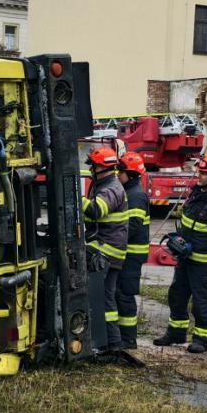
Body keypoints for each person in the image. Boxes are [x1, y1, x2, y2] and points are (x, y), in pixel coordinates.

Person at [153, 153, 207, 354]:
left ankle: (201, 340)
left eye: (204, 173)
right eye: (200, 172)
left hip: (202, 265)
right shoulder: (195, 194)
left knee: (201, 302)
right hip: (185, 259)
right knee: (176, 295)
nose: (200, 176)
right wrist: (178, 239)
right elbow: (186, 222)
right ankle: (176, 333)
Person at [82, 146, 129, 351]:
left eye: (93, 166)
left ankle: (108, 341)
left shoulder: (111, 188)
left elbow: (96, 210)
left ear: (102, 167)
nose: (91, 169)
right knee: (105, 296)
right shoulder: (105, 184)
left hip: (106, 248)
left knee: (101, 295)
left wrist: (74, 198)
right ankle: (111, 341)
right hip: (106, 246)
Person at [116, 152, 151, 348]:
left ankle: (128, 340)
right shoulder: (128, 192)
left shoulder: (136, 196)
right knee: (119, 293)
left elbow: (132, 226)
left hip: (131, 255)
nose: (118, 174)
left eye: (121, 171)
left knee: (125, 294)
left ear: (131, 174)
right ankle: (122, 337)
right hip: (126, 253)